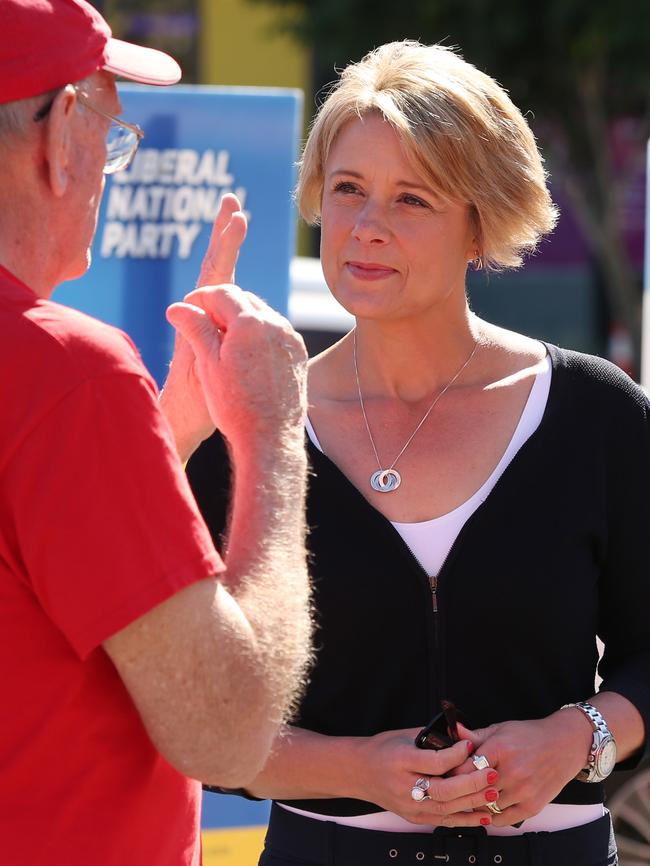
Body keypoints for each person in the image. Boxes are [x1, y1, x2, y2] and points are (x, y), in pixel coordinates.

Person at [186, 40, 650, 866]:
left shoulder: (597, 415)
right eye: (350, 190)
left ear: (481, 221)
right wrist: (358, 768)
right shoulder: (250, 421)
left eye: (413, 200)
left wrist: (579, 736)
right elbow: (200, 711)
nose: (367, 228)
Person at [0, 1, 312, 864]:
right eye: (109, 123)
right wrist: (273, 438)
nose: (112, 160)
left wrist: (165, 437)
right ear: (62, 133)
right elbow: (228, 729)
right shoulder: (64, 371)